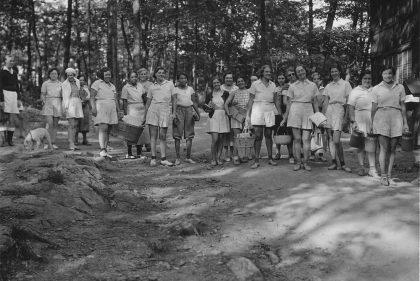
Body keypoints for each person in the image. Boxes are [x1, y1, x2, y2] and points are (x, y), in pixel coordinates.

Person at [371, 66, 409, 186]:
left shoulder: (400, 87)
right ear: (382, 75)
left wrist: (405, 123)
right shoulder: (376, 88)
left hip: (396, 116)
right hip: (381, 116)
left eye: (390, 73)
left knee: (392, 148)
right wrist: (372, 124)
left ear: (393, 75)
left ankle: (389, 176)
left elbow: (403, 106)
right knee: (384, 148)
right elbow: (373, 108)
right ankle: (383, 176)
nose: (388, 76)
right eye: (385, 73)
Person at [281, 65, 320, 171]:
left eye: (302, 70)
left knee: (306, 139)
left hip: (308, 110)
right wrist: (285, 118)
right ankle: (298, 162)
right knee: (297, 139)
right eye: (298, 72)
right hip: (295, 110)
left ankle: (306, 162)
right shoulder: (292, 86)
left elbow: (316, 103)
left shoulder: (313, 85)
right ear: (296, 74)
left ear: (305, 71)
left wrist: (319, 117)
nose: (300, 73)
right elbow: (288, 104)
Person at [246, 65, 281, 169]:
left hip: (269, 110)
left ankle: (270, 158)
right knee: (258, 136)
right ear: (262, 73)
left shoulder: (273, 84)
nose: (269, 73)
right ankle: (256, 160)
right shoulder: (255, 84)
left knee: (269, 134)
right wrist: (248, 115)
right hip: (257, 110)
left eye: (270, 72)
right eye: (266, 72)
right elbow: (250, 100)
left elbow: (276, 100)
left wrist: (280, 113)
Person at [347, 70, 380, 178]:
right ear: (361, 79)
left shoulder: (375, 90)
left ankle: (372, 169)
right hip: (359, 118)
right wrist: (353, 121)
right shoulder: (355, 91)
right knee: (360, 144)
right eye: (365, 78)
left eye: (369, 78)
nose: (367, 80)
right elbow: (350, 107)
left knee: (371, 144)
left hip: (372, 118)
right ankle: (361, 167)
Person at [322, 65, 353, 172]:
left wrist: (346, 118)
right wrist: (322, 117)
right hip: (329, 111)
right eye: (332, 71)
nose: (334, 73)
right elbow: (325, 102)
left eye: (336, 71)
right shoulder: (328, 86)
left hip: (339, 110)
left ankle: (343, 164)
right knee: (330, 139)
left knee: (336, 140)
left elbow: (350, 102)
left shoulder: (346, 84)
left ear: (340, 72)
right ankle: (334, 162)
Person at [143, 67, 175, 166]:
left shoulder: (170, 84)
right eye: (159, 72)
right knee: (153, 135)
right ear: (155, 74)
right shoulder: (152, 87)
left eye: (163, 72)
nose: (161, 74)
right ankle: (153, 158)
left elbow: (174, 99)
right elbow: (148, 103)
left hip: (165, 109)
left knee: (163, 136)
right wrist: (145, 116)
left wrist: (174, 113)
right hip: (153, 110)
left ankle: (163, 158)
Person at [90, 67, 122, 157]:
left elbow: (115, 99)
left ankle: (105, 149)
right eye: (106, 74)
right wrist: (93, 108)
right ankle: (102, 149)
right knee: (103, 128)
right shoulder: (97, 83)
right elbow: (92, 96)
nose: (108, 76)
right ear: (102, 75)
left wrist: (118, 111)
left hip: (111, 108)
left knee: (108, 130)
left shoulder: (112, 86)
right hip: (101, 107)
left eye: (109, 74)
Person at [172, 73, 200, 165]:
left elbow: (193, 102)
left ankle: (188, 157)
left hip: (189, 110)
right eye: (181, 78)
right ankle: (177, 158)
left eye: (185, 78)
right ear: (178, 80)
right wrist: (174, 114)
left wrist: (198, 113)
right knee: (177, 135)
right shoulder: (175, 89)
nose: (183, 80)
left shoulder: (190, 89)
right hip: (179, 110)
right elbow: (174, 102)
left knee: (189, 134)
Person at [121, 71, 148, 159]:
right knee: (131, 132)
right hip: (132, 110)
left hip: (141, 110)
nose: (134, 78)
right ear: (129, 78)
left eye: (135, 77)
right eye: (132, 77)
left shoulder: (140, 86)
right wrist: (125, 115)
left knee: (140, 131)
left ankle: (139, 152)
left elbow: (145, 98)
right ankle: (129, 153)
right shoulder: (126, 87)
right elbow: (124, 102)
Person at [224, 75, 250, 165]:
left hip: (246, 117)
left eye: (242, 81)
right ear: (236, 83)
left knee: (244, 137)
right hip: (236, 117)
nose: (240, 83)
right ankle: (235, 156)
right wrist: (228, 112)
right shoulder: (233, 92)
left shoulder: (249, 92)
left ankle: (242, 156)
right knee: (237, 137)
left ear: (245, 82)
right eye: (238, 82)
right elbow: (226, 104)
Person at [205, 77, 230, 166]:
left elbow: (229, 104)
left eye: (217, 82)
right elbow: (205, 108)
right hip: (213, 116)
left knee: (221, 139)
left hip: (223, 116)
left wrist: (227, 110)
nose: (216, 84)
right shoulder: (209, 94)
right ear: (212, 84)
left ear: (220, 83)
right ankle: (213, 158)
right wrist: (209, 107)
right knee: (215, 139)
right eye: (214, 83)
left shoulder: (226, 93)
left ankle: (219, 158)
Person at [0, 55, 22, 147]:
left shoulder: (15, 72)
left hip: (14, 96)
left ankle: (10, 141)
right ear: (5, 61)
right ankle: (3, 141)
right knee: (3, 119)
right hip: (5, 95)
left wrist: (19, 98)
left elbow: (17, 86)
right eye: (10, 61)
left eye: (13, 61)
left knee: (12, 120)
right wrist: (1, 100)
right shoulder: (1, 72)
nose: (12, 62)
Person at [273, 72, 294, 161]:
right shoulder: (275, 88)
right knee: (277, 133)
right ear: (277, 80)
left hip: (288, 112)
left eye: (282, 78)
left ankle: (291, 154)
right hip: (278, 112)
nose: (281, 80)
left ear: (285, 79)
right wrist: (279, 112)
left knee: (289, 132)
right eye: (279, 78)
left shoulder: (288, 87)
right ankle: (278, 153)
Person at [62, 68, 84, 151]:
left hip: (77, 103)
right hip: (70, 103)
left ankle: (73, 142)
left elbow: (79, 92)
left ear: (74, 75)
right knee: (71, 124)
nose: (70, 77)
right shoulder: (64, 84)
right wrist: (65, 106)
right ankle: (70, 143)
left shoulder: (77, 81)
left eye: (71, 75)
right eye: (68, 75)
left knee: (75, 125)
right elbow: (64, 96)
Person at [40, 68, 62, 149]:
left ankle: (53, 142)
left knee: (55, 124)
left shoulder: (61, 84)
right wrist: (43, 100)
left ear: (58, 75)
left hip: (58, 102)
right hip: (48, 102)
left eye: (55, 73)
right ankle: (46, 142)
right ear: (49, 75)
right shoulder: (46, 83)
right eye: (52, 73)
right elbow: (42, 94)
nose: (54, 75)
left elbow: (64, 95)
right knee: (49, 124)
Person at [309, 72, 327, 162]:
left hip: (321, 114)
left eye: (318, 79)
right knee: (312, 134)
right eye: (314, 79)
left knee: (321, 135)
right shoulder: (310, 88)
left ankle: (321, 154)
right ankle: (312, 153)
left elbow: (325, 102)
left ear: (321, 80)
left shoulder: (323, 90)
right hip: (311, 114)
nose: (316, 81)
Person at [220, 72, 238, 162]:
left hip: (233, 112)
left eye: (230, 78)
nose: (228, 79)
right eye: (227, 78)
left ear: (233, 79)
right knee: (225, 132)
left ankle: (232, 153)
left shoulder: (236, 88)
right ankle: (226, 153)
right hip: (222, 112)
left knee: (232, 132)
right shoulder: (221, 88)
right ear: (224, 79)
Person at [137, 68, 153, 152]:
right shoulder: (136, 84)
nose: (143, 75)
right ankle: (140, 144)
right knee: (139, 125)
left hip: (148, 106)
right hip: (138, 107)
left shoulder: (150, 84)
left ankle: (148, 143)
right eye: (141, 74)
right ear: (139, 75)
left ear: (147, 75)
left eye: (144, 74)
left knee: (148, 125)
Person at [75, 76, 91, 146]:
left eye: (83, 80)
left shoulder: (86, 88)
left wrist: (87, 101)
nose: (82, 81)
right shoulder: (75, 88)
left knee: (85, 122)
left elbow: (89, 97)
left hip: (85, 106)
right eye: (80, 80)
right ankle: (75, 140)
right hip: (77, 106)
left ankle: (84, 140)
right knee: (77, 122)